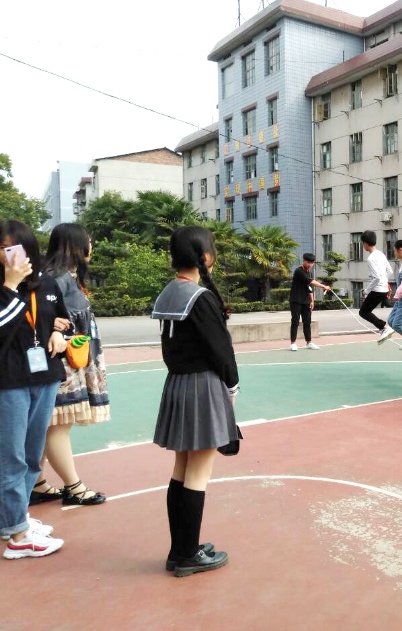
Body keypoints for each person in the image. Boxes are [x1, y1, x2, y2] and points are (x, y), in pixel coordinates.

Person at [151, 226, 238, 577]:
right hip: (203, 388)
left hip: (177, 385)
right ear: (205, 256)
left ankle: (180, 550)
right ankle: (187, 555)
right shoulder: (199, 297)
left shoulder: (169, 293)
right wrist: (232, 387)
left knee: (181, 470)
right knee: (197, 473)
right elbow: (221, 350)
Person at [1, 219, 67, 559]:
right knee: (9, 458)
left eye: (21, 248)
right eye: (7, 249)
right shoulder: (5, 289)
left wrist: (60, 334)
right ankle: (17, 537)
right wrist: (10, 287)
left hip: (44, 377)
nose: (15, 256)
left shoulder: (46, 283)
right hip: (8, 382)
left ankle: (15, 520)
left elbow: (62, 318)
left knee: (30, 456)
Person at [34, 223, 109, 508]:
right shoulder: (55, 278)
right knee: (58, 425)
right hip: (61, 365)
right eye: (89, 241)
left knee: (49, 425)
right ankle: (74, 487)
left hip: (69, 362)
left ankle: (37, 482)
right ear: (76, 245)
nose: (92, 246)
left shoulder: (62, 276)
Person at [289, 253, 330, 352]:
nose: (310, 265)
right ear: (304, 261)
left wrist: (312, 301)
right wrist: (324, 286)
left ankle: (309, 342)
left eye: (312, 263)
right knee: (295, 321)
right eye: (308, 263)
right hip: (296, 300)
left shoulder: (309, 273)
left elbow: (309, 288)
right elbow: (310, 282)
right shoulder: (299, 271)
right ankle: (293, 343)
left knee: (307, 322)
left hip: (306, 301)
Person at [358, 231, 392, 334]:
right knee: (367, 311)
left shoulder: (371, 258)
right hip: (384, 289)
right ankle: (384, 328)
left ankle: (384, 328)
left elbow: (376, 277)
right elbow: (390, 271)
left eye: (362, 243)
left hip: (377, 290)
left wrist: (366, 291)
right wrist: (384, 282)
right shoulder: (381, 254)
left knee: (363, 312)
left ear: (365, 243)